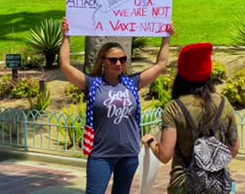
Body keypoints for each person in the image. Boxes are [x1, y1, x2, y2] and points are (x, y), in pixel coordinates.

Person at [59, 18, 175, 194]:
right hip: (101, 155)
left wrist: (166, 37)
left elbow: (160, 65)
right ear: (103, 62)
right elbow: (66, 66)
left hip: (128, 154)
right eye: (113, 60)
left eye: (122, 59)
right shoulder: (93, 84)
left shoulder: (132, 83)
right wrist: (66, 36)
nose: (119, 63)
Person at [141, 43, 239, 194]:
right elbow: (233, 149)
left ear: (181, 74)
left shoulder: (174, 107)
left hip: (183, 184)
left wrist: (151, 141)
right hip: (217, 185)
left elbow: (164, 155)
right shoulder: (224, 104)